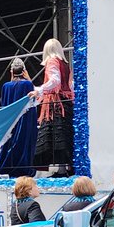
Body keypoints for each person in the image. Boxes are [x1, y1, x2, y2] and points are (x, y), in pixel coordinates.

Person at [31, 38, 74, 176]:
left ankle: (61, 170)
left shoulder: (52, 61)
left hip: (55, 104)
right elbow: (70, 84)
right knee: (62, 135)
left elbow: (55, 81)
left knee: (55, 135)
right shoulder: (65, 64)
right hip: (65, 101)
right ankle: (63, 168)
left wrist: (39, 90)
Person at [0, 57, 39, 177]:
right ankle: (24, 168)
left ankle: (5, 167)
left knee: (9, 142)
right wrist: (29, 79)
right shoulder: (28, 84)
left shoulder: (6, 86)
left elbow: (5, 105)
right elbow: (35, 99)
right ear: (24, 71)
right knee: (24, 142)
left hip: (10, 120)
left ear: (12, 71)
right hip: (26, 120)